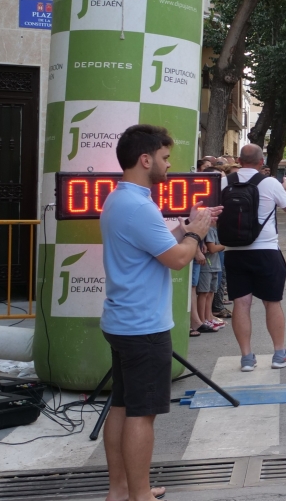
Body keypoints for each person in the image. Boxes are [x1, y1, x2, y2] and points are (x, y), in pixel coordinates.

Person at [100, 124, 218, 501]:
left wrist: (185, 226)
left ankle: (120, 490)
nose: (169, 167)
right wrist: (196, 233)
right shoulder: (139, 206)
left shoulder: (119, 199)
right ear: (145, 159)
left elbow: (153, 244)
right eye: (165, 159)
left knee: (121, 405)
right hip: (143, 326)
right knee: (141, 414)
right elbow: (179, 260)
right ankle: (140, 496)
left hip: (122, 320)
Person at [223, 144, 286, 372]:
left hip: (233, 251)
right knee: (272, 302)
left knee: (241, 303)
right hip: (265, 250)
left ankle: (246, 358)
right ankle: (279, 354)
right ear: (261, 162)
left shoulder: (224, 182)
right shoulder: (269, 183)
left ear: (239, 160)